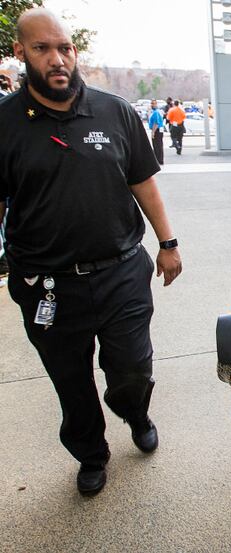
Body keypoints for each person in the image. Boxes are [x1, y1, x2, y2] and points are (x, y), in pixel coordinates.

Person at [0, 8, 183, 496]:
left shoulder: (114, 110)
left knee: (131, 367)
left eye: (65, 48)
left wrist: (167, 243)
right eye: (42, 49)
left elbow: (141, 180)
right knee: (70, 380)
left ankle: (135, 411)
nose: (57, 59)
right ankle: (90, 453)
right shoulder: (4, 123)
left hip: (121, 271)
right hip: (46, 284)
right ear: (21, 54)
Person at [147, 99, 164, 165]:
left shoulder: (156, 112)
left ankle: (158, 159)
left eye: (153, 103)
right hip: (158, 130)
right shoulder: (154, 112)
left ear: (156, 104)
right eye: (151, 103)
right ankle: (159, 159)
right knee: (158, 145)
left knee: (157, 145)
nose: (152, 105)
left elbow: (156, 123)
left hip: (157, 130)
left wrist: (153, 132)